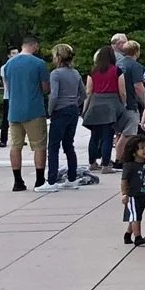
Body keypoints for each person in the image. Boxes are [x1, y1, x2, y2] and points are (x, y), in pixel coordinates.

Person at [1, 36, 50, 193]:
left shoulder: (9, 64)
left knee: (15, 146)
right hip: (34, 109)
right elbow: (45, 88)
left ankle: (17, 181)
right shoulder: (39, 63)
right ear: (34, 45)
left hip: (14, 111)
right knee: (39, 146)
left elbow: (8, 86)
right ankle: (40, 180)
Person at [45, 44, 88, 189]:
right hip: (73, 110)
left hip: (60, 110)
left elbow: (54, 95)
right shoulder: (75, 73)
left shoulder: (56, 74)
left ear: (58, 57)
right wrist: (74, 103)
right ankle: (71, 178)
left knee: (53, 146)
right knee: (68, 145)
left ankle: (51, 180)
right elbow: (83, 94)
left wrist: (50, 110)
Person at [83, 46, 125, 173]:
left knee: (94, 136)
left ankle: (92, 162)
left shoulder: (93, 71)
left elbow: (88, 91)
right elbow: (122, 91)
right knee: (108, 136)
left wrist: (85, 108)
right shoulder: (117, 71)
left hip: (95, 103)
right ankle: (106, 165)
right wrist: (123, 104)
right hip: (111, 104)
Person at [116, 131, 145, 246]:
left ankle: (128, 234)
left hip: (144, 194)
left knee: (135, 216)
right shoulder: (129, 166)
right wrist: (124, 194)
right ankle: (138, 237)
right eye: (142, 148)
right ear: (134, 152)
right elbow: (124, 181)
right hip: (132, 196)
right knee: (135, 217)